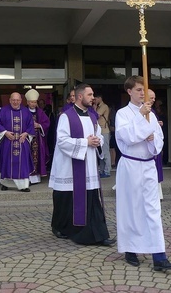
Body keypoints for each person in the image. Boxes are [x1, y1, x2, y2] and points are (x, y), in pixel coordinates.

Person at [114, 76, 171, 271]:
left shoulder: (151, 114)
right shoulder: (122, 114)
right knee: (131, 209)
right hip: (130, 166)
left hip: (148, 165)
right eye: (139, 89)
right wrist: (141, 119)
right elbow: (128, 137)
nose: (143, 93)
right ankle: (131, 249)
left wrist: (151, 138)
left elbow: (159, 142)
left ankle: (159, 255)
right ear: (129, 91)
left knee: (152, 210)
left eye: (144, 90)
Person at [49, 83, 114, 246]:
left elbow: (99, 136)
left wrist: (98, 140)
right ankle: (60, 227)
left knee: (91, 199)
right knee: (65, 199)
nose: (93, 98)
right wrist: (85, 142)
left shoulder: (93, 117)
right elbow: (62, 141)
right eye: (90, 95)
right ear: (79, 96)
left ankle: (98, 233)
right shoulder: (66, 116)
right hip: (69, 166)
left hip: (89, 166)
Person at [0, 92, 34, 192]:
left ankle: (23, 186)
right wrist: (5, 132)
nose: (15, 102)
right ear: (10, 100)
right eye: (13, 100)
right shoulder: (3, 111)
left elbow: (31, 125)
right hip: (7, 141)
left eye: (17, 100)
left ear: (21, 101)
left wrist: (26, 133)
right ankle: (5, 184)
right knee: (6, 162)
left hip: (22, 142)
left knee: (22, 163)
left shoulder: (26, 111)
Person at [25, 89, 50, 184]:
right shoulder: (23, 111)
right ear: (27, 102)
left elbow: (47, 123)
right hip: (26, 138)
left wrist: (39, 125)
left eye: (35, 102)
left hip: (38, 139)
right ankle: (27, 177)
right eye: (31, 102)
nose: (33, 104)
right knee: (27, 157)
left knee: (37, 156)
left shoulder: (40, 112)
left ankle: (36, 177)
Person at [148, 89, 165, 200]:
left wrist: (158, 125)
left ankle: (158, 194)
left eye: (154, 98)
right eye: (151, 97)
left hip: (154, 144)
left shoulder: (152, 111)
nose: (153, 100)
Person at [94, 94, 112, 178]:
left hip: (104, 130)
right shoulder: (98, 106)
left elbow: (96, 115)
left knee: (105, 151)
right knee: (100, 152)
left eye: (96, 98)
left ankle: (107, 171)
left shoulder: (104, 106)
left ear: (100, 98)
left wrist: (93, 106)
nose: (94, 100)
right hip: (99, 131)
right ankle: (101, 170)